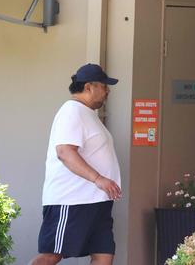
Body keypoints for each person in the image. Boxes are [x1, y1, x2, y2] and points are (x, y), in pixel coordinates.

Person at [31, 63, 122, 265]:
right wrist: (98, 179)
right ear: (89, 87)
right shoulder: (71, 111)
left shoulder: (87, 113)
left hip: (96, 201)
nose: (108, 90)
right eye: (104, 86)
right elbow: (64, 152)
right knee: (52, 254)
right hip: (72, 200)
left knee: (103, 254)